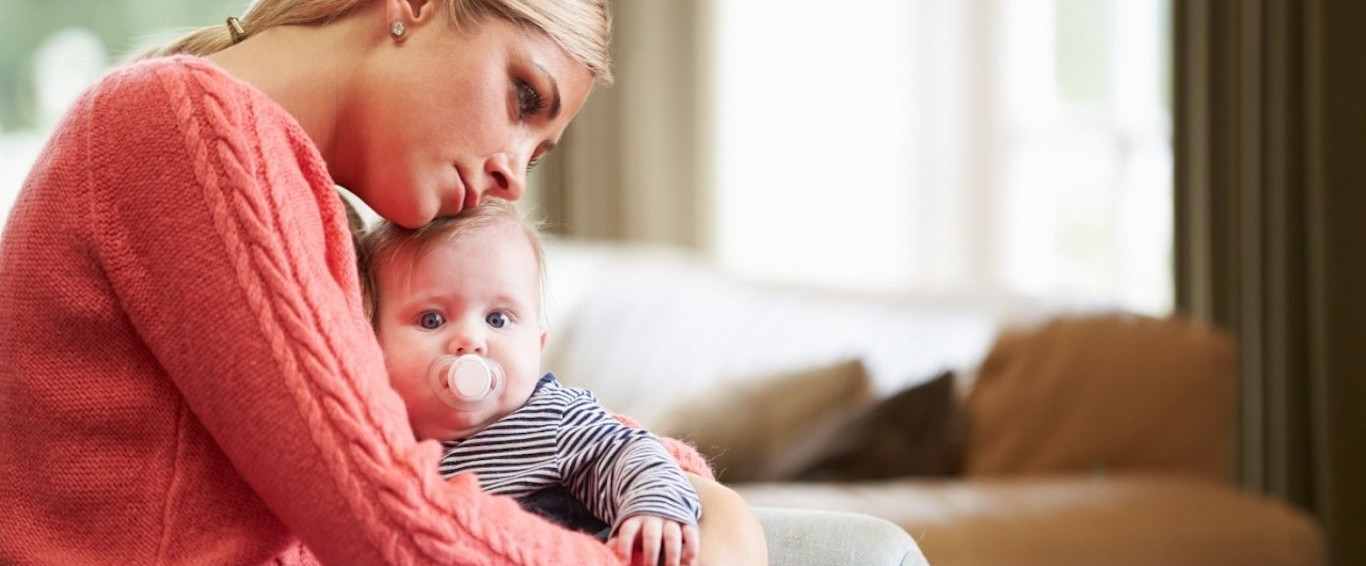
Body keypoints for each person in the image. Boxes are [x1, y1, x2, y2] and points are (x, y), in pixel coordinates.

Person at [0, 1, 767, 564]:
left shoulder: (306, 207)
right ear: (417, 6)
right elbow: (390, 522)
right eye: (523, 97)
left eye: (537, 153)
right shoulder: (180, 126)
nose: (514, 178)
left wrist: (680, 486)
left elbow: (443, 436)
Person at [358, 199, 701, 566]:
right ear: (372, 340)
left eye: (497, 319)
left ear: (537, 346)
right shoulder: (381, 440)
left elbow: (628, 453)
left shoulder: (554, 418)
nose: (471, 340)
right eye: (432, 319)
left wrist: (653, 507)